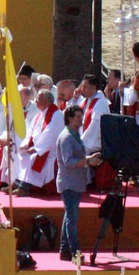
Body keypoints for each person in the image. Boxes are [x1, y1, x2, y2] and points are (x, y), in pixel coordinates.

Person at [55, 106, 89, 261]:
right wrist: (87, 161)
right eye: (77, 117)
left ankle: (65, 250)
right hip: (69, 183)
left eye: (81, 116)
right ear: (69, 118)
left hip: (74, 182)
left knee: (69, 216)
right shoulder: (66, 138)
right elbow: (68, 162)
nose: (80, 119)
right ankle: (75, 252)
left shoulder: (74, 135)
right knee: (72, 218)